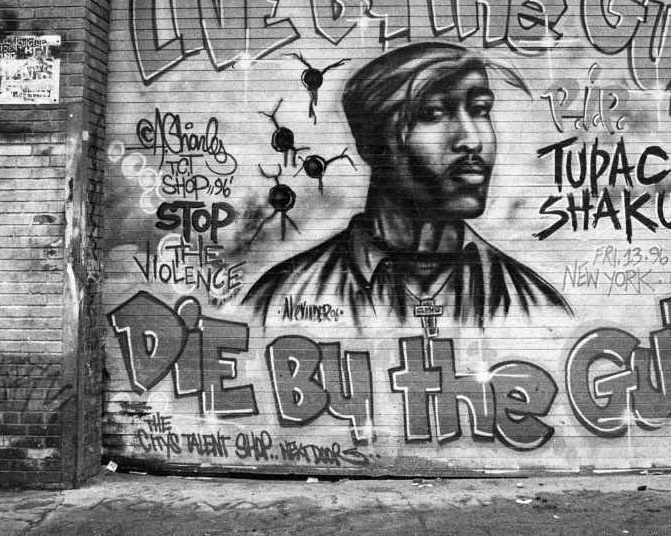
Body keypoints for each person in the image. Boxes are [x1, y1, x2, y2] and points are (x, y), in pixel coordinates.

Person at [242, 42, 571, 336]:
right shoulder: (284, 297)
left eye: (480, 109)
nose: (471, 139)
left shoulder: (535, 304)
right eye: (432, 114)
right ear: (371, 144)